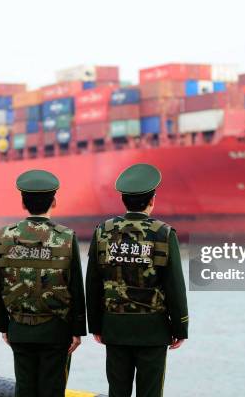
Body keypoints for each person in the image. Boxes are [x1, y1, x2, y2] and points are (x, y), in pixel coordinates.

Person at [86, 163, 189, 397]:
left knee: (117, 391)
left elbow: (92, 282)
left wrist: (96, 325)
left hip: (115, 326)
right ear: (152, 200)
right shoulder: (163, 233)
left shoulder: (103, 231)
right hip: (153, 330)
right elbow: (175, 285)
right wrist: (180, 327)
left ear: (123, 200)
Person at [0, 169, 86, 397]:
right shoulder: (66, 237)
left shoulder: (3, 236)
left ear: (23, 204)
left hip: (19, 329)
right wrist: (77, 330)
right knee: (53, 390)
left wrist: (4, 326)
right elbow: (76, 288)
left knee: (24, 389)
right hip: (56, 331)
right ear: (54, 202)